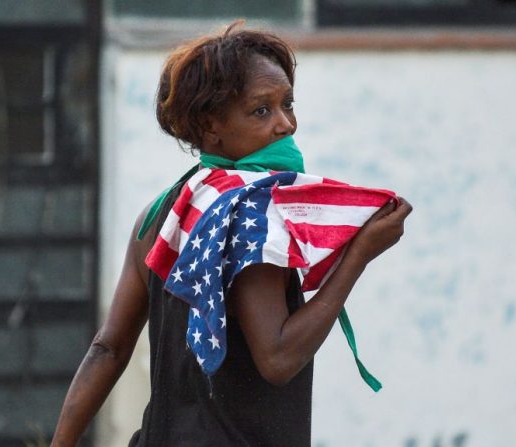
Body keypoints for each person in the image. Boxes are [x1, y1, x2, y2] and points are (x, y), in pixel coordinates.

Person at [51, 21, 412, 447]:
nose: (286, 125)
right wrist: (359, 256)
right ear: (210, 128)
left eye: (288, 104)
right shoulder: (249, 216)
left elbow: (107, 349)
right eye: (262, 110)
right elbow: (277, 358)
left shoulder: (161, 215)